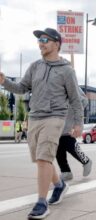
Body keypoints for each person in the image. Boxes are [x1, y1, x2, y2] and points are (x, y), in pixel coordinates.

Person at [0, 28, 83, 219]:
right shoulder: (35, 66)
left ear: (56, 44)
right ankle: (60, 185)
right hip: (34, 117)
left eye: (45, 39)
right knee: (41, 159)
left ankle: (41, 203)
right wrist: (4, 82)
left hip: (55, 117)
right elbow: (21, 88)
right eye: (39, 40)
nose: (41, 43)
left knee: (44, 158)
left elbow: (75, 100)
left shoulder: (67, 71)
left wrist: (78, 123)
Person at [56, 87, 92, 181]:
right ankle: (66, 171)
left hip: (68, 113)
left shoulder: (71, 82)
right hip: (58, 116)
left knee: (68, 140)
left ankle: (86, 161)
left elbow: (84, 101)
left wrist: (72, 103)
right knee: (58, 144)